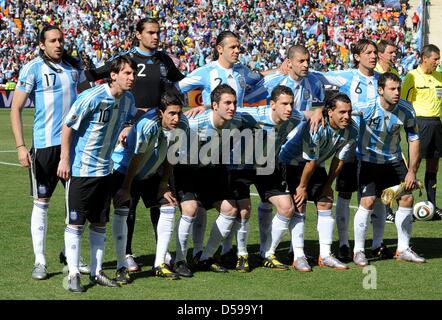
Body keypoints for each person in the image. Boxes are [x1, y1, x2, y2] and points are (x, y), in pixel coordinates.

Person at [86, 17, 186, 272]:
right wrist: (125, 120)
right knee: (127, 198)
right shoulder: (127, 59)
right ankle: (127, 253)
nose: (155, 37)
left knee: (160, 195)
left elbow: (182, 84)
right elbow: (95, 76)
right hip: (130, 132)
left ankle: (161, 253)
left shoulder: (164, 61)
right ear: (138, 34)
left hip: (159, 132)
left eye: (158, 32)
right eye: (150, 33)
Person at [10, 25, 89, 280]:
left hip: (74, 147)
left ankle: (70, 253)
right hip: (44, 147)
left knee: (76, 203)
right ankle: (40, 261)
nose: (58, 44)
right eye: (53, 41)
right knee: (42, 203)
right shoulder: (33, 68)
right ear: (42, 44)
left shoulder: (74, 68)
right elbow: (15, 109)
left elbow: (88, 98)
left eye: (61, 40)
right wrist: (21, 147)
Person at [56, 56, 138, 293]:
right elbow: (68, 126)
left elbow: (130, 117)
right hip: (81, 170)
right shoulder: (92, 97)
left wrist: (127, 127)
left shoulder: (128, 100)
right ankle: (73, 274)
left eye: (133, 74)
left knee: (100, 223)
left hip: (105, 171)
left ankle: (97, 270)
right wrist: (64, 159)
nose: (131, 78)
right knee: (76, 223)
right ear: (113, 75)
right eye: (127, 74)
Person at [236, 44, 325, 264]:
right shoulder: (275, 82)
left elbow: (314, 107)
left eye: (307, 61)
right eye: (301, 61)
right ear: (290, 62)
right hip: (257, 150)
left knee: (286, 204)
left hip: (286, 153)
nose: (305, 65)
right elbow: (246, 97)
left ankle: (270, 251)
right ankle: (240, 252)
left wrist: (318, 111)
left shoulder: (313, 82)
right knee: (246, 207)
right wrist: (275, 71)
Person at [314, 39, 389, 262]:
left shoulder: (381, 81)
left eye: (375, 52)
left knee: (376, 197)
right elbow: (316, 76)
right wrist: (319, 107)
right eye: (368, 53)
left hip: (376, 149)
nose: (373, 56)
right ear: (357, 56)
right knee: (345, 195)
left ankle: (377, 243)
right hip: (350, 149)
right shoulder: (346, 76)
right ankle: (345, 244)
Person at [112, 88, 188, 281]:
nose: (176, 118)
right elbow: (135, 159)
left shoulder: (182, 125)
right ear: (161, 113)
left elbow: (172, 155)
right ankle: (123, 261)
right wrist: (125, 188)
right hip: (125, 170)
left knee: (168, 204)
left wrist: (164, 183)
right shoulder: (148, 124)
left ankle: (160, 262)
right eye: (172, 113)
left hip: (151, 172)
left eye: (179, 113)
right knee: (124, 209)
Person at [351, 72, 425, 265]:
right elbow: (344, 118)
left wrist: (412, 171)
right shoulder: (366, 108)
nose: (397, 92)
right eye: (392, 89)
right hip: (368, 161)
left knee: (407, 197)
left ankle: (403, 248)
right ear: (380, 90)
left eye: (398, 88)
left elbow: (414, 139)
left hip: (393, 160)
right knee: (368, 201)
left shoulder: (406, 109)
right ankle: (358, 251)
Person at [279, 93, 358, 271]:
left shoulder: (352, 129)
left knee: (325, 201)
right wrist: (302, 187)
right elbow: (310, 161)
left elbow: (339, 160)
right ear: (330, 112)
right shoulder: (316, 126)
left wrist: (328, 185)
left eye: (349, 112)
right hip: (291, 162)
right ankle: (298, 255)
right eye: (342, 112)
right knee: (300, 203)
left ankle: (325, 255)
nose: (347, 116)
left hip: (315, 164)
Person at [401, 44, 442, 220]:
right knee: (413, 167)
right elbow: (403, 102)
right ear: (425, 58)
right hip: (419, 123)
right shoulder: (412, 77)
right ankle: (406, 206)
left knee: (433, 166)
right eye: (435, 59)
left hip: (437, 124)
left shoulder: (439, 77)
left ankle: (432, 205)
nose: (438, 62)